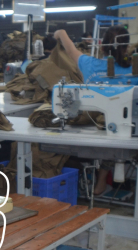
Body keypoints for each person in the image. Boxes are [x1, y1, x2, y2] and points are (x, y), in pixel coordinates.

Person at [54, 26, 131, 194]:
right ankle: (107, 181)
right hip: (122, 128)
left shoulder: (88, 63)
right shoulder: (133, 69)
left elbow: (70, 49)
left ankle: (97, 179)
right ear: (127, 47)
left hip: (92, 123)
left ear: (102, 45)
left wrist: (60, 33)